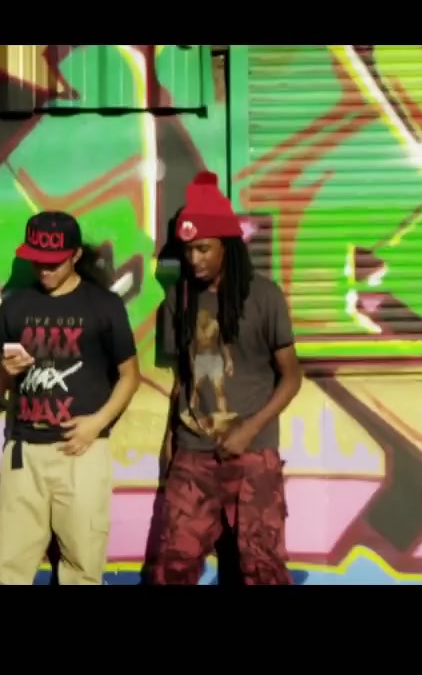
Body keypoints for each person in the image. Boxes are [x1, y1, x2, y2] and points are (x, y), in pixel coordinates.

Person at [147, 171, 301, 586]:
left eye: (203, 249)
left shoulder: (264, 296)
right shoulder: (178, 299)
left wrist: (248, 430)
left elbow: (291, 378)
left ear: (226, 246)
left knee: (262, 569)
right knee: (171, 567)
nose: (194, 259)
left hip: (253, 454)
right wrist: (170, 442)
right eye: (188, 250)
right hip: (193, 454)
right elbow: (182, 378)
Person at [0, 211, 141, 585]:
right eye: (38, 261)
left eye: (54, 262)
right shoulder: (15, 306)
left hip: (81, 453)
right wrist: (5, 371)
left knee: (82, 569)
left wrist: (96, 424)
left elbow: (131, 376)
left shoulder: (104, 305)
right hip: (24, 453)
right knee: (5, 569)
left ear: (76, 255)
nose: (45, 269)